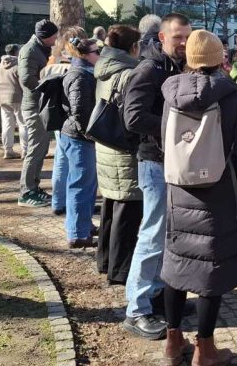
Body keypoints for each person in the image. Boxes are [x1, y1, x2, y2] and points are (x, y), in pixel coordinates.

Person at [158, 30, 237, 366]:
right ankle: (205, 349)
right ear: (219, 59)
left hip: (178, 190)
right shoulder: (230, 98)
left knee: (176, 264)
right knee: (210, 271)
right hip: (218, 194)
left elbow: (164, 141)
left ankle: (173, 343)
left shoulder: (170, 94)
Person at [123, 13, 191, 340]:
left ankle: (157, 294)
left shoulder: (175, 67)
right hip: (154, 163)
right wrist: (174, 126)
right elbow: (133, 117)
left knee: (167, 234)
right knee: (152, 234)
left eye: (187, 37)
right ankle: (136, 310)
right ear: (162, 38)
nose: (184, 43)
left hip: (172, 162)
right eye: (178, 37)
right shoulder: (149, 69)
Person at [94, 25, 144, 285]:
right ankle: (121, 270)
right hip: (123, 150)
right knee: (127, 209)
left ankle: (105, 261)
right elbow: (132, 116)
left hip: (106, 146)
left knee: (111, 207)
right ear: (133, 47)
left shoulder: (104, 68)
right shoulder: (127, 73)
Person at [59, 38, 101, 248]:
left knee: (86, 184)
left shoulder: (83, 73)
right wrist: (91, 133)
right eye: (97, 51)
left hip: (79, 136)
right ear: (85, 55)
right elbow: (80, 111)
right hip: (79, 138)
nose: (100, 55)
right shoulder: (80, 76)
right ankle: (77, 233)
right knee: (80, 185)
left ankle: (83, 224)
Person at [44, 26, 89, 216]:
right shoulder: (76, 66)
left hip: (58, 115)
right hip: (71, 117)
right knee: (75, 165)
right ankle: (71, 205)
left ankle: (58, 201)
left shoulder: (52, 61)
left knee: (61, 161)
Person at [18, 19, 59, 208]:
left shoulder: (40, 49)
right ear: (46, 37)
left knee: (40, 149)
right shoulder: (30, 51)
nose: (56, 39)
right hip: (33, 106)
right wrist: (49, 85)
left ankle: (33, 187)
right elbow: (27, 79)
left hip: (39, 105)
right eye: (54, 36)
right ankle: (26, 192)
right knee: (35, 150)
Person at [0, 44, 28, 159]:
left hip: (2, 99)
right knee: (23, 124)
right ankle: (25, 150)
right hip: (18, 98)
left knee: (7, 125)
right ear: (17, 52)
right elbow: (23, 84)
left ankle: (8, 150)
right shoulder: (19, 65)